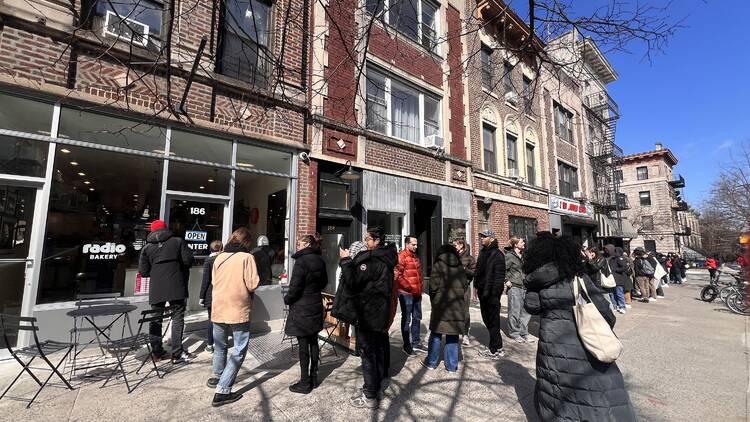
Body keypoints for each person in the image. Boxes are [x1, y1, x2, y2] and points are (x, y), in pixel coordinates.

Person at [523, 232, 636, 421]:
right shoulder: (578, 277)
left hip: (553, 347)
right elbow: (606, 313)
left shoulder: (537, 282)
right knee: (597, 398)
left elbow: (531, 307)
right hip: (589, 346)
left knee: (557, 393)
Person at [340, 226, 398, 409]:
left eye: (369, 239)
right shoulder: (386, 258)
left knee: (368, 353)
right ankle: (377, 385)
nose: (366, 242)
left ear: (377, 240)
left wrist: (346, 261)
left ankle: (370, 395)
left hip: (369, 314)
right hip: (379, 313)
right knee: (378, 349)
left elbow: (353, 283)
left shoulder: (373, 261)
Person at [207, 227, 260, 407]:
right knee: (239, 350)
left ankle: (217, 376)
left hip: (219, 307)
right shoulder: (247, 258)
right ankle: (222, 390)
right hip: (238, 307)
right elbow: (253, 284)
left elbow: (214, 282)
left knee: (220, 345)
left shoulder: (219, 257)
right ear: (246, 242)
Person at [138, 219, 194, 364]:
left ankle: (157, 352)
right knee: (177, 318)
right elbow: (188, 260)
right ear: (166, 229)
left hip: (157, 288)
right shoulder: (177, 241)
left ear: (152, 231)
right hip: (176, 285)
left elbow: (143, 272)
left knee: (155, 319)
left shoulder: (147, 248)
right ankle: (177, 353)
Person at [285, 235, 328, 394]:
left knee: (303, 345)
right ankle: (314, 377)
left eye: (300, 243)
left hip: (302, 307)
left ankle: (304, 383)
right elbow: (324, 282)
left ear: (307, 244)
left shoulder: (301, 262)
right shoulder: (320, 260)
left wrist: (287, 299)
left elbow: (295, 287)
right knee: (314, 342)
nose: (298, 245)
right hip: (315, 304)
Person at [422, 244, 468, 372]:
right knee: (453, 334)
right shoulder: (459, 266)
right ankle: (452, 366)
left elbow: (433, 286)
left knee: (436, 333)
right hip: (456, 305)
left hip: (441, 305)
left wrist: (434, 300)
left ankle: (431, 362)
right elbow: (465, 286)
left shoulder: (438, 264)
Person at [474, 230, 506, 360]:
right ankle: (496, 346)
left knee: (493, 321)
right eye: (481, 236)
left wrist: (494, 294)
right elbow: (479, 271)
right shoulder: (483, 253)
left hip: (492, 294)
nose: (481, 238)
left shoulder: (497, 254)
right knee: (487, 319)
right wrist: (476, 287)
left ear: (491, 239)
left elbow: (499, 277)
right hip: (483, 292)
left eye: (484, 236)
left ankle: (496, 349)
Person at [394, 235, 425, 355]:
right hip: (406, 293)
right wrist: (408, 287)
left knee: (417, 318)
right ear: (407, 244)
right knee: (407, 319)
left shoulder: (415, 256)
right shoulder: (401, 256)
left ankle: (416, 342)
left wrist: (420, 287)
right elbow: (398, 275)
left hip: (417, 293)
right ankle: (406, 345)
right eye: (413, 244)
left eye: (416, 244)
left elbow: (418, 274)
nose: (416, 246)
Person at [505, 237, 533, 343]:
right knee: (515, 311)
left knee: (526, 311)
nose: (524, 243)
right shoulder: (509, 256)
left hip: (525, 286)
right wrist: (506, 280)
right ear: (515, 244)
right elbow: (503, 269)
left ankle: (524, 332)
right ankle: (514, 333)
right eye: (522, 242)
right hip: (515, 286)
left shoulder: (523, 256)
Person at [200, 240, 223, 353]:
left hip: (211, 293)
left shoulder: (208, 260)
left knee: (211, 319)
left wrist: (201, 296)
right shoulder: (224, 259)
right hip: (223, 292)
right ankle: (220, 343)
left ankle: (210, 344)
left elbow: (205, 280)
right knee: (221, 319)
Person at [453, 238, 475, 346]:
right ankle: (455, 333)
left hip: (464, 288)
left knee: (465, 312)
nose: (454, 247)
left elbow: (473, 273)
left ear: (461, 245)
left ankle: (465, 334)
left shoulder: (470, 258)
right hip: (453, 288)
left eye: (455, 245)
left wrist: (465, 269)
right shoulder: (453, 257)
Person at [605, 245, 628, 314]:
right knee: (612, 293)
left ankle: (622, 306)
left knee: (619, 293)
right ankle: (614, 305)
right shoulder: (612, 258)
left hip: (618, 279)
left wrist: (615, 270)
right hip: (612, 279)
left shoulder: (620, 258)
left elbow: (624, 267)